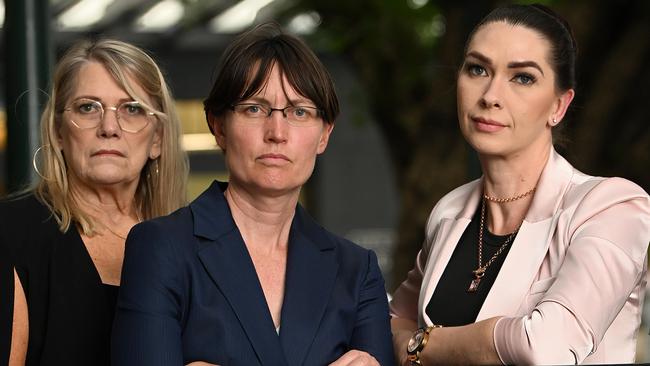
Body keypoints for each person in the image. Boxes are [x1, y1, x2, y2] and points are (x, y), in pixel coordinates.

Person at [111, 23, 394, 366]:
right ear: (219, 126)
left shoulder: (356, 270)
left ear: (324, 134)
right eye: (254, 109)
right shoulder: (161, 248)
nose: (276, 132)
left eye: (299, 111)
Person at [390, 4, 650, 365]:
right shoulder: (450, 211)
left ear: (559, 106)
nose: (490, 95)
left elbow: (544, 349)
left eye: (522, 77)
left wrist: (421, 346)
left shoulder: (613, 206)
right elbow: (389, 319)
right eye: (477, 69)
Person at [0, 39, 188, 365]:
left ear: (157, 138)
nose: (109, 128)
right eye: (88, 107)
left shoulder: (191, 246)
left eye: (132, 109)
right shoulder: (10, 233)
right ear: (58, 131)